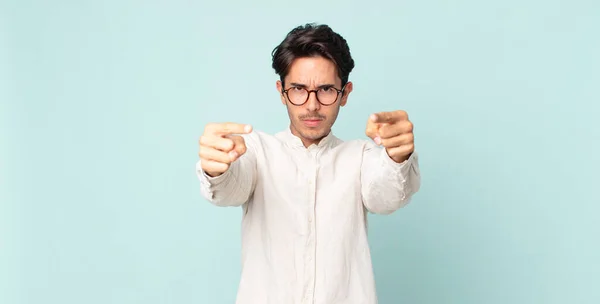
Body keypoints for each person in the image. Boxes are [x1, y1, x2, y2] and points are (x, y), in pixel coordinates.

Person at [196, 23, 421, 304]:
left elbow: (386, 197)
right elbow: (230, 189)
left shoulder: (361, 157)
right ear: (281, 91)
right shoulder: (256, 151)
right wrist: (216, 168)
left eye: (326, 89)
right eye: (299, 89)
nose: (312, 105)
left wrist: (397, 156)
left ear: (345, 93)